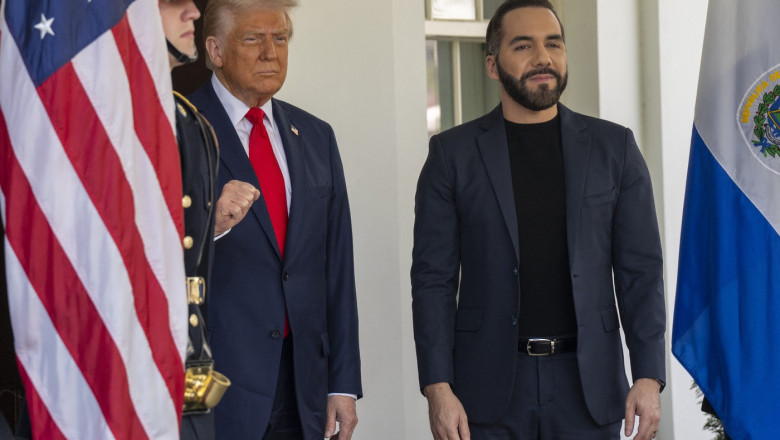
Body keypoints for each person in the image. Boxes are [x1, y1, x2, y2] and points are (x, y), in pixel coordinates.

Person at [411, 1, 666, 439]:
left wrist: (648, 374)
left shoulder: (614, 149)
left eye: (553, 44)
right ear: (492, 65)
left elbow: (640, 272)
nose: (543, 58)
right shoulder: (452, 156)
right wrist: (438, 387)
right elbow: (432, 280)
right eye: (523, 46)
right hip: (487, 390)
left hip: (589, 386)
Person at [188, 0, 362, 438]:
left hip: (302, 385)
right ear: (216, 49)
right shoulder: (175, 127)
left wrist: (342, 384)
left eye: (280, 38)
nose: (271, 52)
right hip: (211, 388)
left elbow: (336, 268)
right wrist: (212, 226)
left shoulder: (316, 136)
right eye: (253, 39)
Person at [159, 1, 258, 438]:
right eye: (169, 3)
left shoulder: (188, 122)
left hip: (193, 378)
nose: (192, 14)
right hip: (122, 372)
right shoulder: (92, 118)